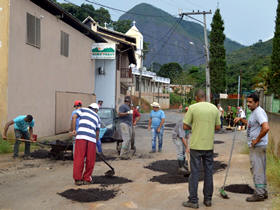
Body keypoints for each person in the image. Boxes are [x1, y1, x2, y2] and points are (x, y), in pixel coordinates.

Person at [182, 89, 221, 208]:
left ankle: (193, 201)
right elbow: (218, 127)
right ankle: (208, 200)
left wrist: (195, 125)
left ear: (196, 98)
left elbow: (184, 126)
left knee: (194, 173)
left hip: (196, 146)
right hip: (209, 146)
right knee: (209, 172)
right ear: (206, 96)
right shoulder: (214, 108)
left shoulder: (192, 108)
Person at [234, 93, 269, 202]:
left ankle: (259, 194)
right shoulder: (254, 113)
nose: (248, 104)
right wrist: (241, 120)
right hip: (257, 146)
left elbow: (266, 127)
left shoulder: (259, 112)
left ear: (256, 102)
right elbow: (250, 124)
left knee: (257, 169)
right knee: (259, 169)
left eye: (250, 102)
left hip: (258, 146)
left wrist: (256, 140)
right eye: (247, 102)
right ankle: (262, 191)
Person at [71, 103, 100, 185]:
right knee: (90, 159)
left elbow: (74, 117)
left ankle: (77, 179)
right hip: (91, 139)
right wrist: (96, 142)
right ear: (96, 110)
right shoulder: (98, 117)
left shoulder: (82, 109)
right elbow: (97, 131)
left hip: (81, 137)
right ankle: (87, 178)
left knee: (79, 157)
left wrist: (74, 130)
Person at [172, 107, 190, 175]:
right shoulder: (182, 122)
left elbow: (187, 131)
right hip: (176, 136)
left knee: (183, 150)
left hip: (182, 136)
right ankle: (181, 168)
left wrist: (187, 134)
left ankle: (183, 164)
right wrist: (187, 147)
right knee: (180, 150)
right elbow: (181, 136)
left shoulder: (190, 122)